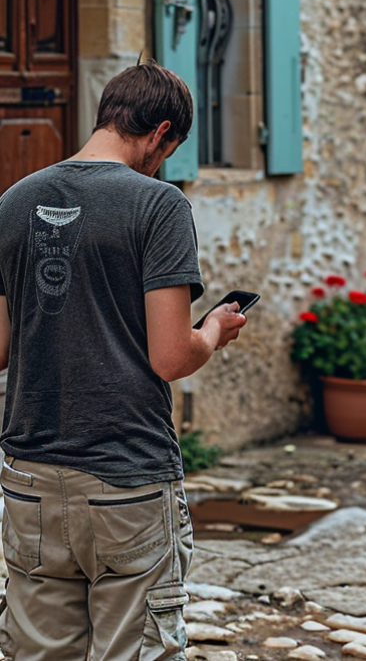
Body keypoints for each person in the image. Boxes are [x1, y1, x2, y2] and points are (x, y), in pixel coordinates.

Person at [0, 59, 247, 660]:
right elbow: (169, 356)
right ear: (161, 132)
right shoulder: (158, 205)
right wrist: (212, 329)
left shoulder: (14, 200)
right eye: (169, 150)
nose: (161, 165)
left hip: (29, 475)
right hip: (126, 475)